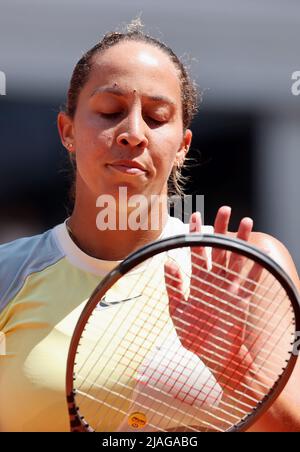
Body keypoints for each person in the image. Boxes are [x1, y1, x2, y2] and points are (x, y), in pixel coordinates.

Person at [0, 20, 300, 432]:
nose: (133, 133)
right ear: (67, 131)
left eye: (157, 118)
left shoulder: (250, 265)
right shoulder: (7, 274)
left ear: (182, 146)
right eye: (110, 112)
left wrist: (231, 372)